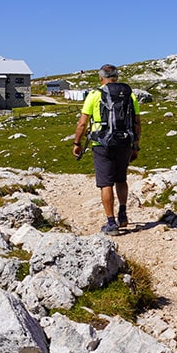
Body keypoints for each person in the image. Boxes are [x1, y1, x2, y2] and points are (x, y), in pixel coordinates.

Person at [72, 64, 141, 236]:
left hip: (102, 144)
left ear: (101, 78)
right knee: (121, 179)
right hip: (125, 142)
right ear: (116, 77)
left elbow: (82, 123)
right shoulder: (129, 95)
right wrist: (135, 146)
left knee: (105, 183)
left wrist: (77, 143)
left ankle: (111, 223)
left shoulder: (95, 94)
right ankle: (123, 214)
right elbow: (137, 122)